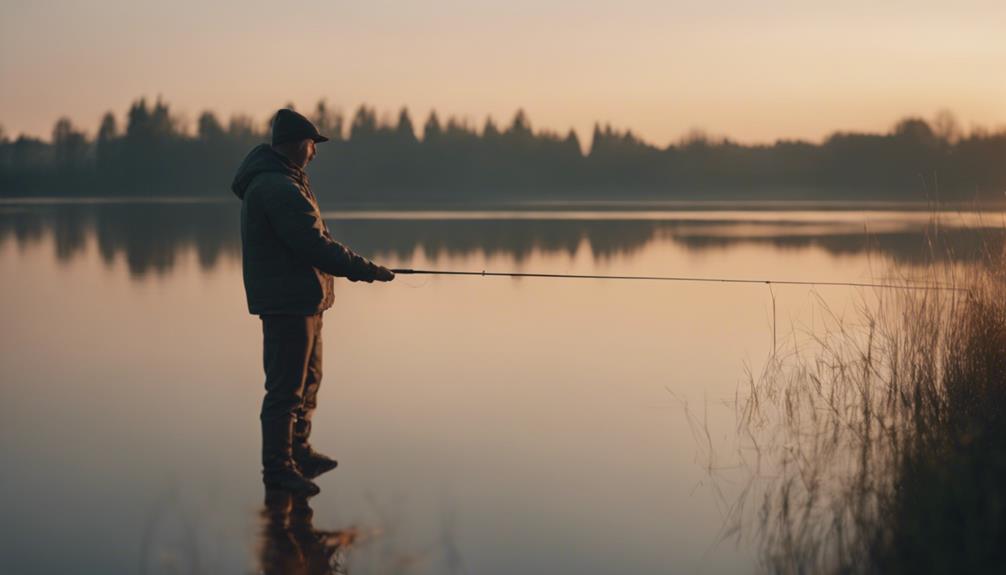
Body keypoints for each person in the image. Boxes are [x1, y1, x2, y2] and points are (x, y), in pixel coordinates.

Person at [231, 108, 395, 495]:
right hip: (288, 303)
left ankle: (299, 453)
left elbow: (313, 243)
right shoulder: (278, 187)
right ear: (295, 144)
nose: (315, 152)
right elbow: (314, 245)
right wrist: (367, 270)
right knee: (285, 391)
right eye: (312, 143)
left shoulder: (288, 181)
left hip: (304, 300)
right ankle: (278, 470)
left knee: (307, 382)